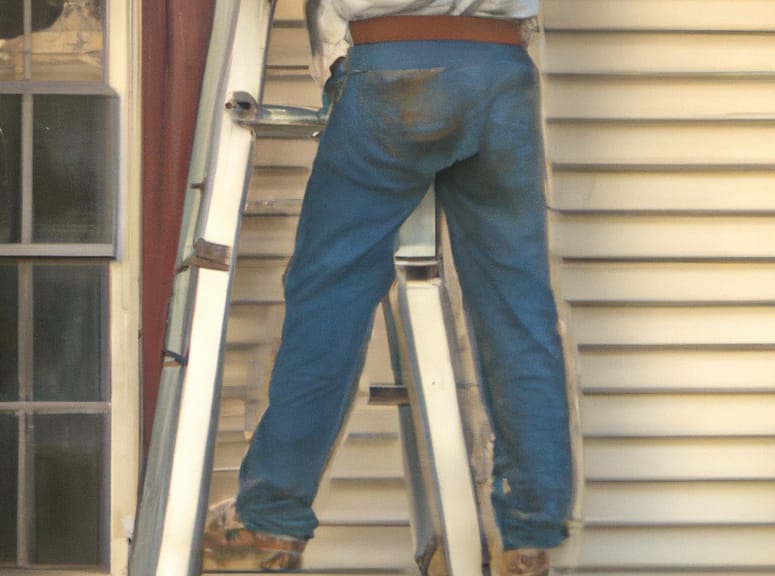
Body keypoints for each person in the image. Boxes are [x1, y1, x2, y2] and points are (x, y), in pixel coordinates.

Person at [201, 2, 573, 575]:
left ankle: (270, 518)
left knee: (332, 292)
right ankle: (531, 536)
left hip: (393, 64)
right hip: (502, 66)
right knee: (517, 307)